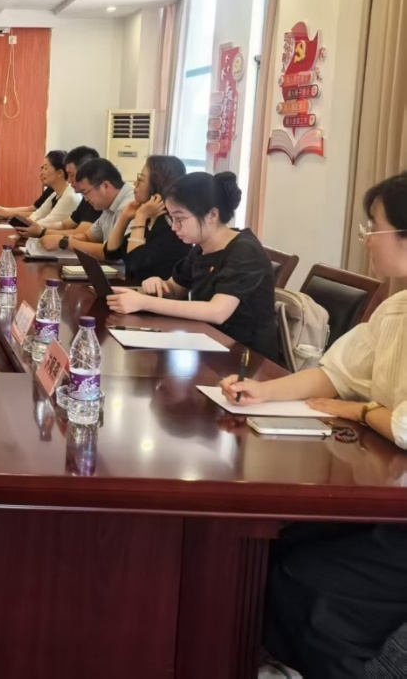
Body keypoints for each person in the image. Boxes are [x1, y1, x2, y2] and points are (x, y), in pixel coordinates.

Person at [217, 171, 407, 679]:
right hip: (386, 490)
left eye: (374, 227)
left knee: (311, 582)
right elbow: (336, 373)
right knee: (277, 541)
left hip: (399, 513)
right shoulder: (396, 308)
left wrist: (360, 412)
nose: (366, 238)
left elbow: (405, 427)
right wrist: (263, 392)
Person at [106, 171, 282, 362]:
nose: (174, 227)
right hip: (208, 345)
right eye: (172, 219)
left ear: (212, 215)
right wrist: (159, 284)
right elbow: (175, 289)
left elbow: (217, 312)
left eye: (180, 219)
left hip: (247, 359)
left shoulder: (244, 252)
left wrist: (144, 302)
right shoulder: (200, 248)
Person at [102, 155, 191, 281]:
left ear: (157, 186)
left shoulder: (170, 228)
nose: (135, 184)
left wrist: (140, 217)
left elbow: (135, 269)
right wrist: (124, 217)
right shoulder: (150, 222)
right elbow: (111, 252)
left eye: (141, 179)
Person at [48, 157, 136, 260]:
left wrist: (65, 243)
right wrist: (63, 239)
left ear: (105, 186)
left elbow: (111, 253)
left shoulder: (130, 206)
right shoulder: (108, 204)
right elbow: (89, 236)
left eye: (85, 192)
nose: (85, 199)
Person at [33, 145, 103, 248]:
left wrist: (42, 231)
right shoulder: (86, 197)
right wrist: (38, 227)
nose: (69, 180)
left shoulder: (97, 198)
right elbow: (64, 224)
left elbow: (81, 234)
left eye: (72, 175)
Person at [18, 151, 81, 237]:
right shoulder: (55, 194)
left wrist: (28, 226)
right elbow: (36, 215)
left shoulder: (70, 197)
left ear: (60, 173)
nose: (41, 172)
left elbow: (48, 222)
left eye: (45, 168)